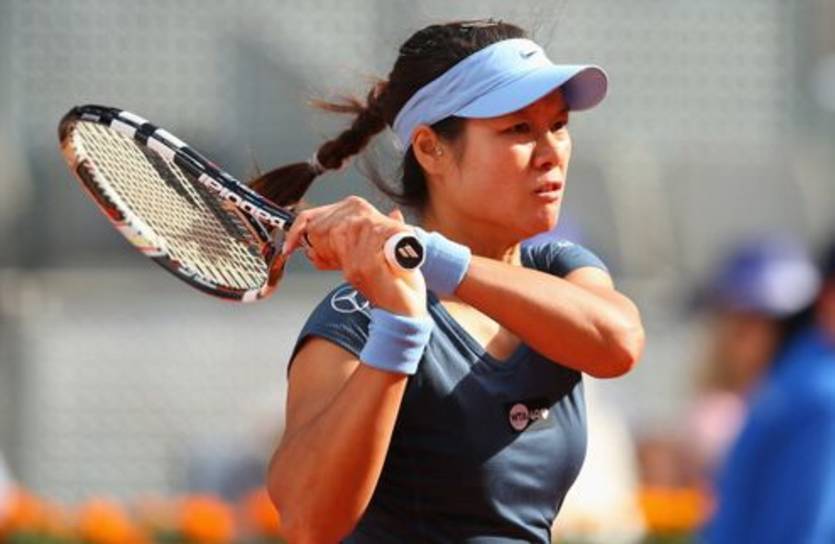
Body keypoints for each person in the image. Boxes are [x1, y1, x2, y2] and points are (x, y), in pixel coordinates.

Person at [260, 19, 645, 543]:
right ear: (430, 149)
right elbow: (307, 521)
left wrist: (425, 256)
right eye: (518, 129)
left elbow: (617, 342)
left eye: (558, 125)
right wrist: (399, 327)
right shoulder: (356, 317)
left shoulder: (560, 269)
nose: (551, 151)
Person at [702, 237, 835, 542]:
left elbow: (803, 530)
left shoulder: (816, 395)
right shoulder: (793, 387)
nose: (727, 343)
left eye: (743, 324)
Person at [684, 235, 822, 485]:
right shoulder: (719, 414)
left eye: (752, 325)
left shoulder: (813, 401)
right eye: (737, 324)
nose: (735, 340)